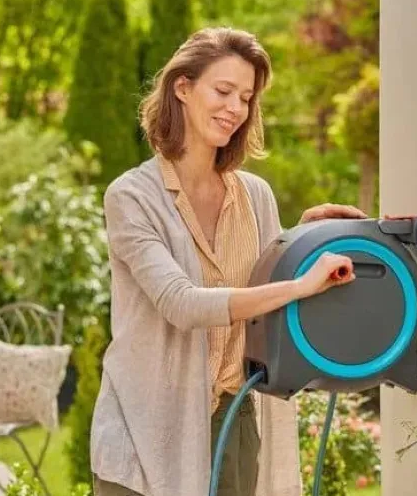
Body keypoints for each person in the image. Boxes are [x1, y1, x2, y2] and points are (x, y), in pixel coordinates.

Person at [90, 27, 367, 496]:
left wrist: (303, 241)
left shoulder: (254, 196)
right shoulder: (132, 197)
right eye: (223, 91)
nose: (235, 108)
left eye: (246, 97)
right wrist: (303, 285)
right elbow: (182, 304)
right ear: (183, 87)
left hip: (232, 420)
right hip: (146, 434)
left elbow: (263, 287)